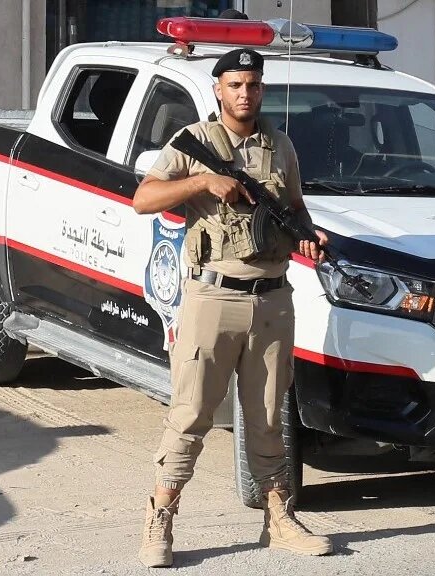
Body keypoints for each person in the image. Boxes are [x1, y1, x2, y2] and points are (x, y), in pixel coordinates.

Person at [132, 47, 331, 567]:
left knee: (267, 415)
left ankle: (278, 518)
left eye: (254, 85)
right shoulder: (193, 143)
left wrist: (309, 236)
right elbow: (143, 198)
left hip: (271, 297)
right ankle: (161, 515)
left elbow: (293, 208)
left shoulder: (280, 145)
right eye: (236, 85)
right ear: (218, 89)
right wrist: (202, 181)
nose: (246, 94)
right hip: (213, 296)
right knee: (192, 412)